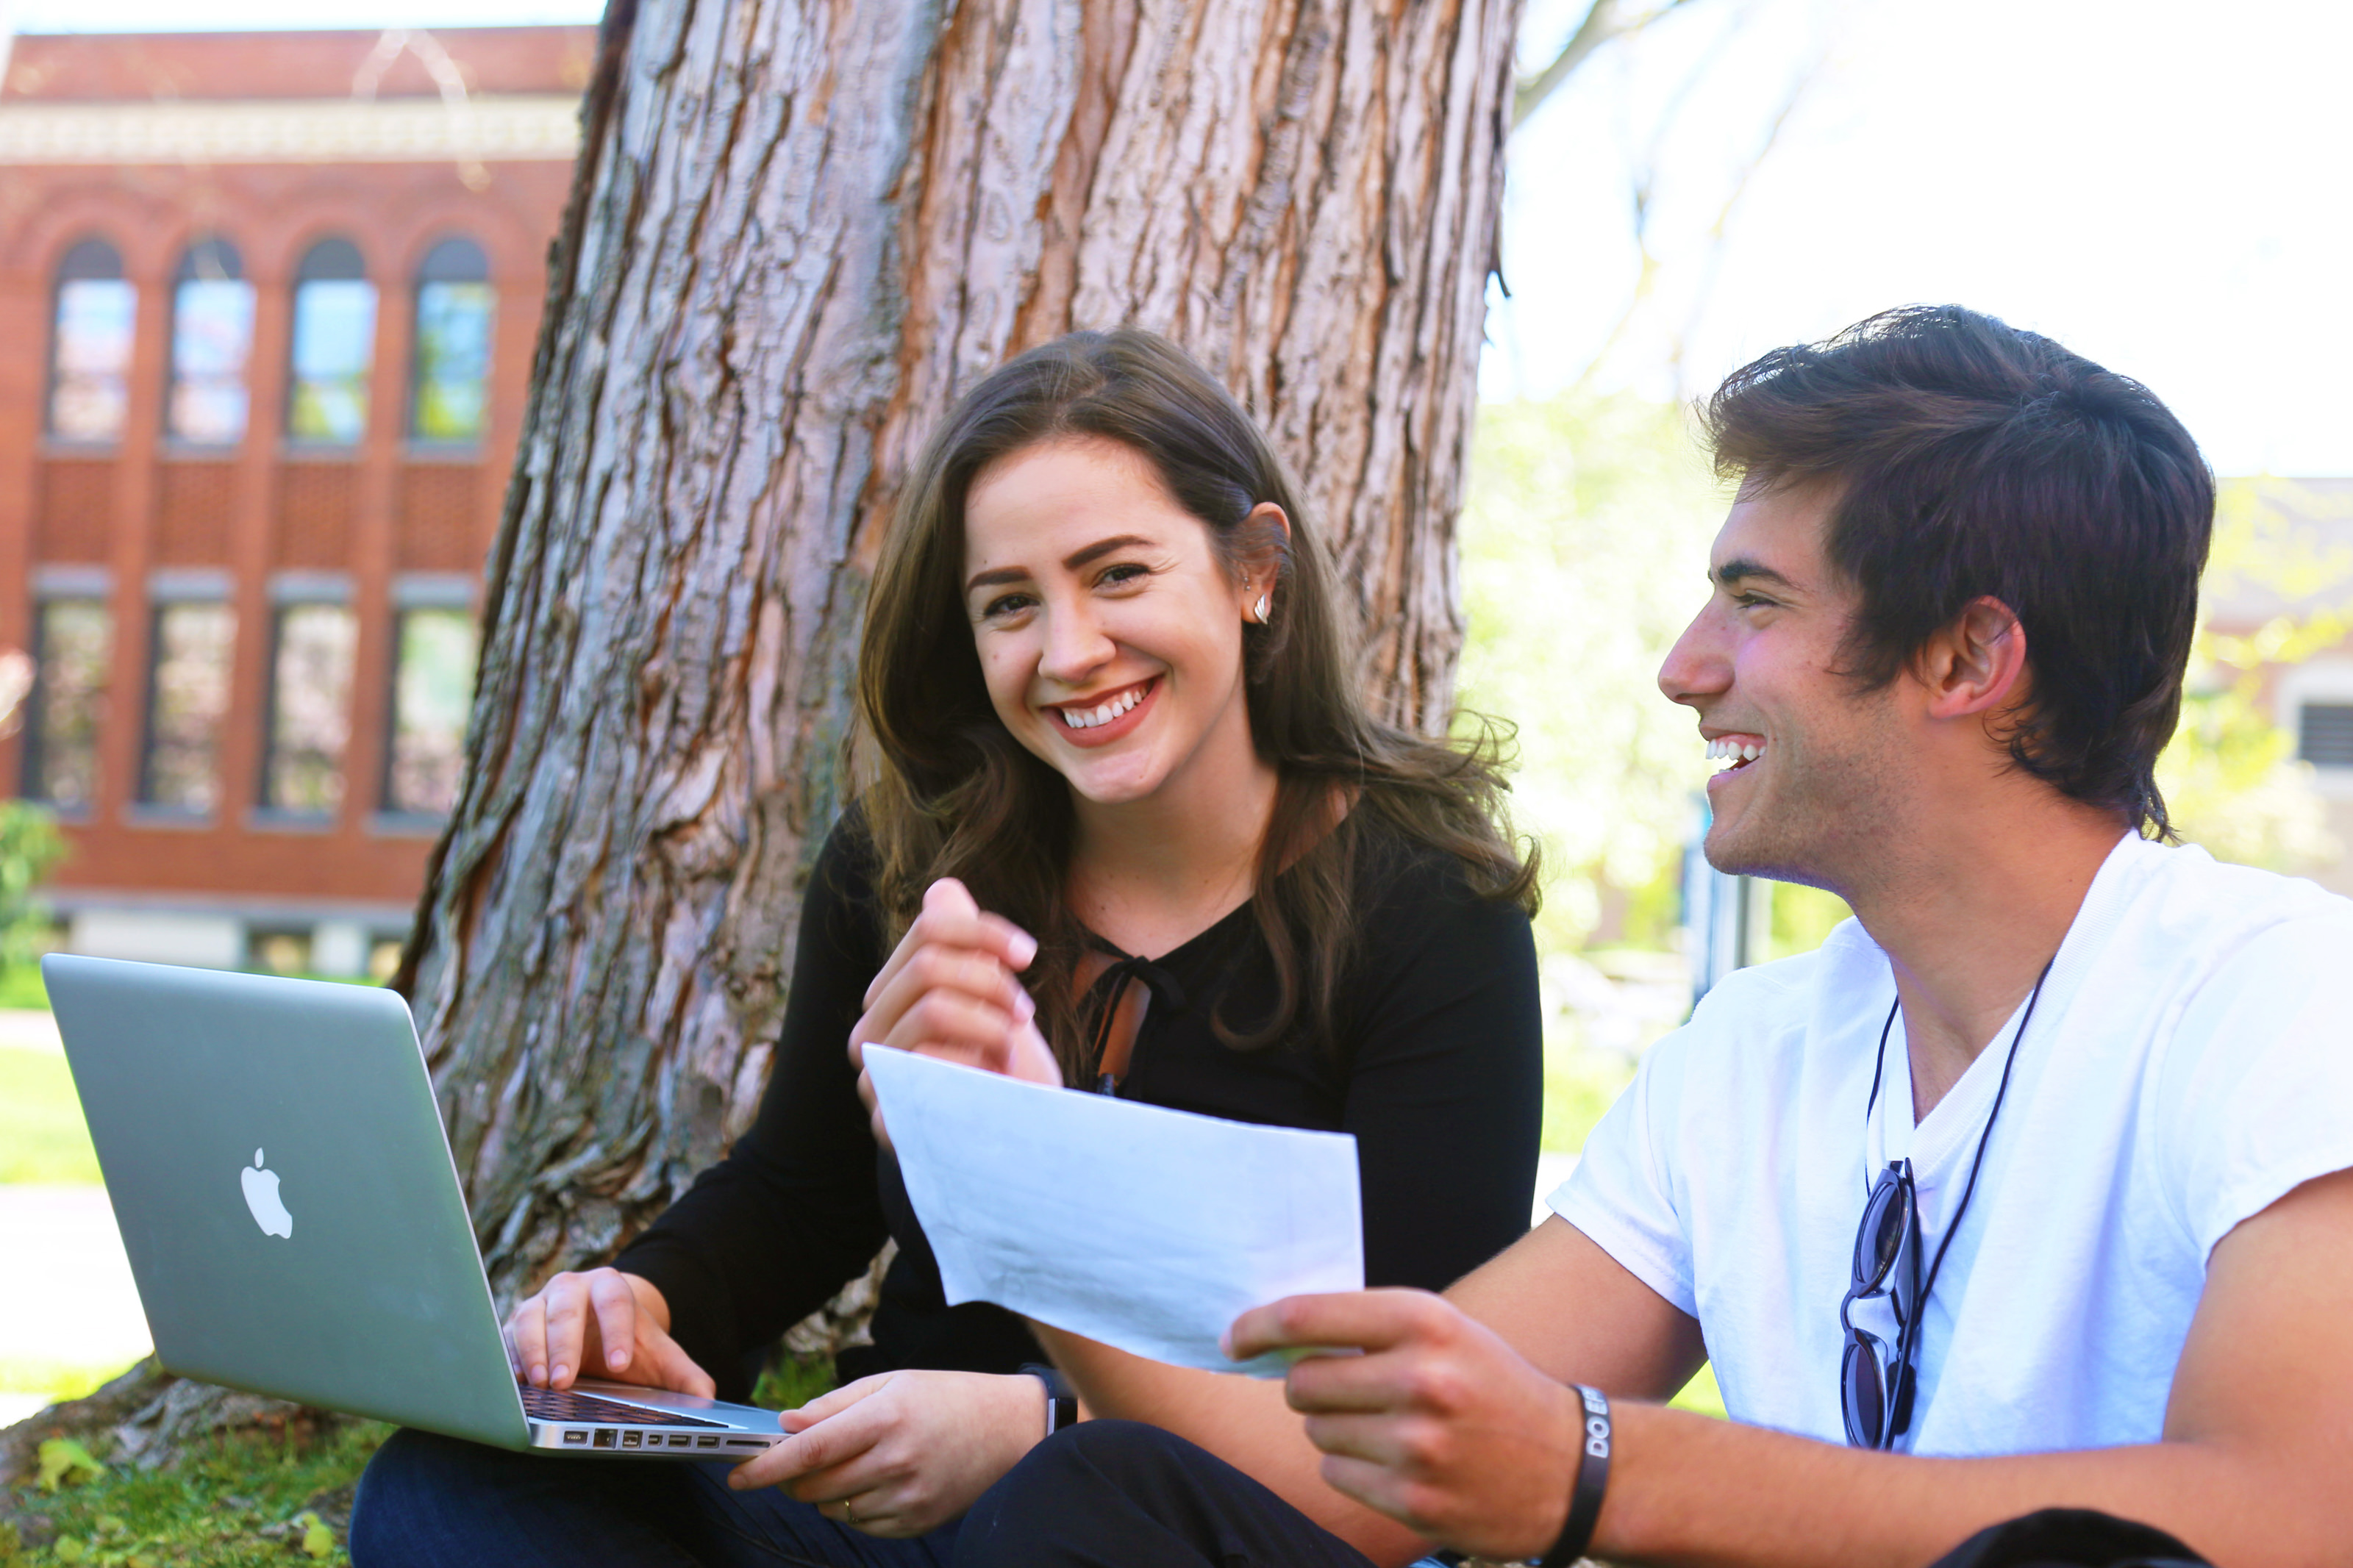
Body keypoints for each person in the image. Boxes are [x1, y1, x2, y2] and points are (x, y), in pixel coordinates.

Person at [951, 306, 2353, 1568]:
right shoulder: (1749, 1058)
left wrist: (1604, 1469)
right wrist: (1024, 1179)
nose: (1686, 667)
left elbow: (2294, 1523)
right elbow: (1353, 1481)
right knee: (1112, 1499)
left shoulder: (2274, 1004)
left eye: (1754, 601)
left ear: (1968, 658)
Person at [349, 326, 1545, 1567]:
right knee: (450, 1489)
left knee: (1072, 1501)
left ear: (1254, 569)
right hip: (898, 1515)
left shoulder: (1432, 906)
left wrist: (1041, 1420)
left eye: (1119, 574)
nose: (1069, 651)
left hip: (1205, 1522)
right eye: (1010, 604)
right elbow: (798, 1189)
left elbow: (1430, 1384)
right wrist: (642, 1301)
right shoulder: (909, 871)